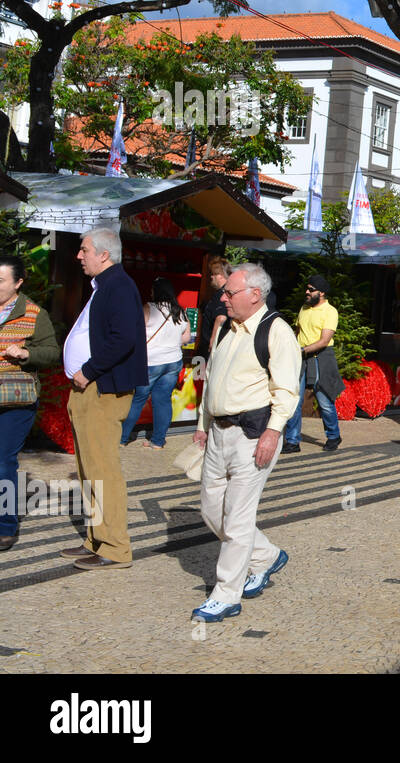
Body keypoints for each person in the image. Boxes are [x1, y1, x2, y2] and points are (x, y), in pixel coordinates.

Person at [192, 263, 299, 621]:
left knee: (237, 520)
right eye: (224, 292)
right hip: (218, 434)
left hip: (252, 436)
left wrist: (273, 432)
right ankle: (266, 555)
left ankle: (226, 594)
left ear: (255, 295)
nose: (223, 298)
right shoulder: (226, 328)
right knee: (211, 511)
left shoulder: (277, 331)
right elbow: (212, 379)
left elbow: (286, 390)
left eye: (230, 292)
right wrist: (203, 423)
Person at [60, 228, 147, 571]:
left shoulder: (119, 285)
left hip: (101, 388)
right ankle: (97, 540)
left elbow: (123, 338)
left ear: (104, 254)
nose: (79, 256)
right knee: (88, 470)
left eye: (84, 250)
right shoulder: (105, 286)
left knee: (102, 470)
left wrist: (90, 370)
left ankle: (114, 547)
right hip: (90, 388)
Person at [0, 256, 60, 551]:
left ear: (18, 283)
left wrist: (26, 354)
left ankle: (6, 526)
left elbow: (51, 353)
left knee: (3, 462)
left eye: (1, 281)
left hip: (15, 401)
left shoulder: (35, 314)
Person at [119, 278, 191, 449]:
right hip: (173, 362)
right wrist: (170, 343)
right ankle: (158, 441)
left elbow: (135, 332)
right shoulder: (180, 311)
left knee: (138, 399)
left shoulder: (149, 308)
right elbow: (186, 337)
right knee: (163, 400)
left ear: (156, 292)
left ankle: (122, 439)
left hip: (151, 362)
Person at [283, 275, 344, 452]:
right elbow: (298, 330)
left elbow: (324, 340)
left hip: (320, 357)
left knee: (324, 400)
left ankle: (333, 436)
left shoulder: (330, 311)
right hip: (300, 357)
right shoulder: (304, 308)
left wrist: (301, 350)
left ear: (322, 292)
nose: (307, 292)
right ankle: (293, 441)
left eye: (311, 289)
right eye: (307, 288)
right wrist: (293, 346)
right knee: (294, 400)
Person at [199, 257, 231, 354]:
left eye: (213, 274)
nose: (211, 277)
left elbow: (221, 317)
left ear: (220, 275)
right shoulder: (228, 291)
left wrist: (213, 341)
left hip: (212, 347)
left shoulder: (221, 294)